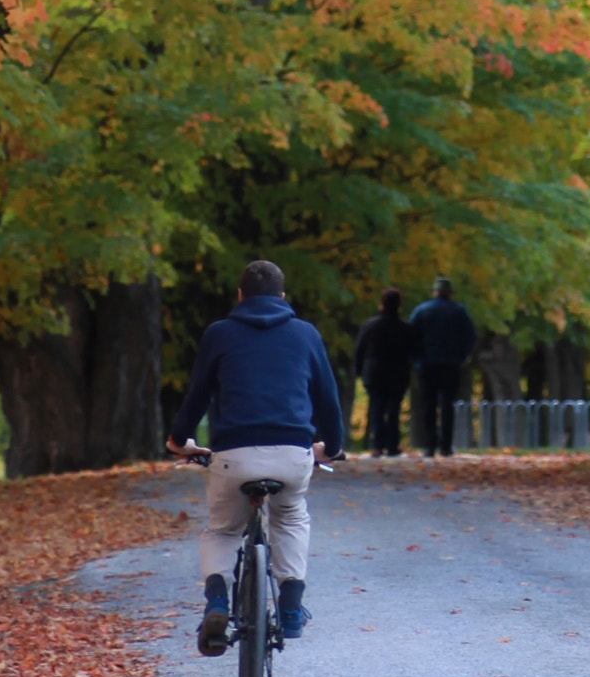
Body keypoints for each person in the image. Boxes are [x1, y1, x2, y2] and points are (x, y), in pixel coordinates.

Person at [167, 258, 344, 651]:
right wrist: (329, 448)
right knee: (291, 515)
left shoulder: (219, 334)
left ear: (240, 295)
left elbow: (197, 397)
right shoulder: (306, 334)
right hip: (292, 455)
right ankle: (292, 606)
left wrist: (181, 440)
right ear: (283, 297)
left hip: (232, 455)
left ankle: (216, 602)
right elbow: (328, 403)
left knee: (222, 529)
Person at [406, 274, 477, 456]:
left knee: (428, 405)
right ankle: (445, 446)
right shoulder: (459, 311)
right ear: (449, 293)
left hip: (427, 364)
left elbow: (410, 336)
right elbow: (470, 337)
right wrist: (461, 356)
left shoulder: (422, 310)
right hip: (450, 364)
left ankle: (429, 446)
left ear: (435, 291)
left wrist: (416, 359)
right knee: (447, 405)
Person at [353, 287, 415, 456]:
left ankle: (378, 445)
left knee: (376, 407)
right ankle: (393, 445)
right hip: (398, 372)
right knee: (394, 409)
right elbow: (414, 351)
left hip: (374, 373)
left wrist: (359, 371)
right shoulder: (405, 328)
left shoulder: (370, 325)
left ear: (381, 303)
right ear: (399, 305)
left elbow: (359, 350)